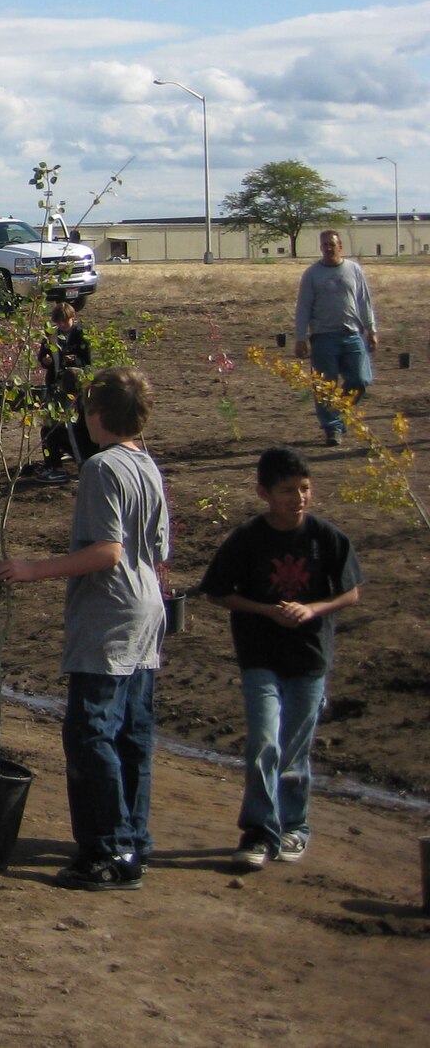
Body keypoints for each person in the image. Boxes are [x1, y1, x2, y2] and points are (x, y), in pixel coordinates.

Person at [0, 367, 168, 891]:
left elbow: (107, 551)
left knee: (90, 731)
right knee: (131, 732)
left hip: (111, 616)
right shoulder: (148, 466)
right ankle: (134, 837)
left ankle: (107, 848)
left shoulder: (102, 469)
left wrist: (32, 569)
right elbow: (157, 549)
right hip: (147, 610)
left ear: (96, 416)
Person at [202, 447, 364, 869]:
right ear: (264, 493)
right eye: (288, 490)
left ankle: (294, 826)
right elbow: (218, 591)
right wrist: (264, 609)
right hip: (260, 656)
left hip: (310, 657)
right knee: (263, 742)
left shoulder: (326, 538)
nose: (299, 498)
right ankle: (258, 830)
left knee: (294, 748)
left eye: (305, 489)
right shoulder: (247, 539)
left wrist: (312, 610)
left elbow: (351, 591)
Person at [294, 228, 378, 446]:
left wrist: (372, 329)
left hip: (352, 333)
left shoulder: (353, 269)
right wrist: (300, 337)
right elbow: (303, 306)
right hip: (323, 336)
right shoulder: (312, 274)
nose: (328, 248)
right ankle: (332, 429)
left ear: (340, 246)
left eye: (332, 244)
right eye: (324, 245)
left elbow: (364, 301)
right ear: (321, 247)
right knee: (325, 385)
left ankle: (339, 414)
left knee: (360, 380)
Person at [36, 301, 93, 478]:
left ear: (72, 318)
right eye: (58, 322)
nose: (61, 325)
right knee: (50, 423)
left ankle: (77, 456)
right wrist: (45, 360)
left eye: (64, 321)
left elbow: (87, 362)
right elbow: (42, 356)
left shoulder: (80, 335)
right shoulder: (51, 335)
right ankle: (53, 461)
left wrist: (74, 360)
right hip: (55, 384)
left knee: (73, 423)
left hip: (74, 385)